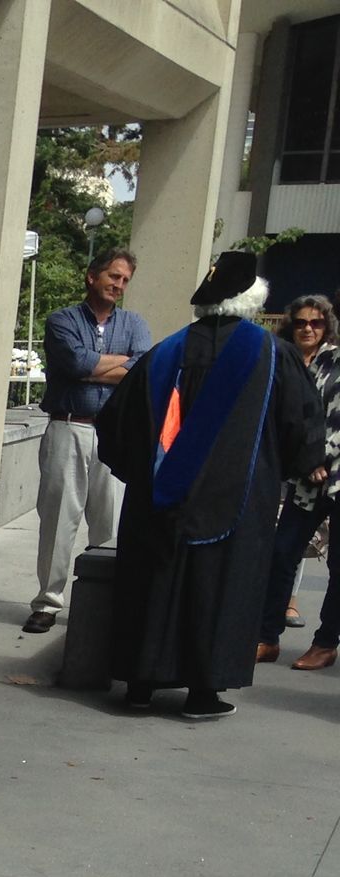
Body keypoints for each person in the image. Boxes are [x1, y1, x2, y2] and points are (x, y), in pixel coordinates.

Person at [97, 251, 322, 719]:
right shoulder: (270, 353)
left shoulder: (164, 353)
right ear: (252, 299)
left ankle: (140, 687)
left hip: (159, 501)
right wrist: (296, 466)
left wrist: (145, 475)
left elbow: (116, 428)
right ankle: (202, 693)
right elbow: (301, 428)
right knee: (219, 588)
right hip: (239, 499)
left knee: (154, 585)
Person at [24, 248, 150, 634]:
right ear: (92, 276)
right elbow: (75, 364)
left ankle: (105, 602)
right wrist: (113, 364)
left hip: (115, 432)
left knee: (108, 520)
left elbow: (142, 366)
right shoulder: (62, 319)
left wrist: (93, 367)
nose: (119, 285)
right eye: (113, 276)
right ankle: (48, 602)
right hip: (68, 426)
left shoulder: (134, 322)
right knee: (59, 518)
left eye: (125, 280)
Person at [257, 294, 340, 670]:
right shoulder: (283, 358)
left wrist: (320, 457)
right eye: (302, 322)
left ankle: (325, 643)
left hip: (334, 474)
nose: (308, 328)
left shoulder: (335, 360)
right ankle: (267, 636)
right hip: (303, 478)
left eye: (316, 323)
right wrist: (304, 461)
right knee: (281, 553)